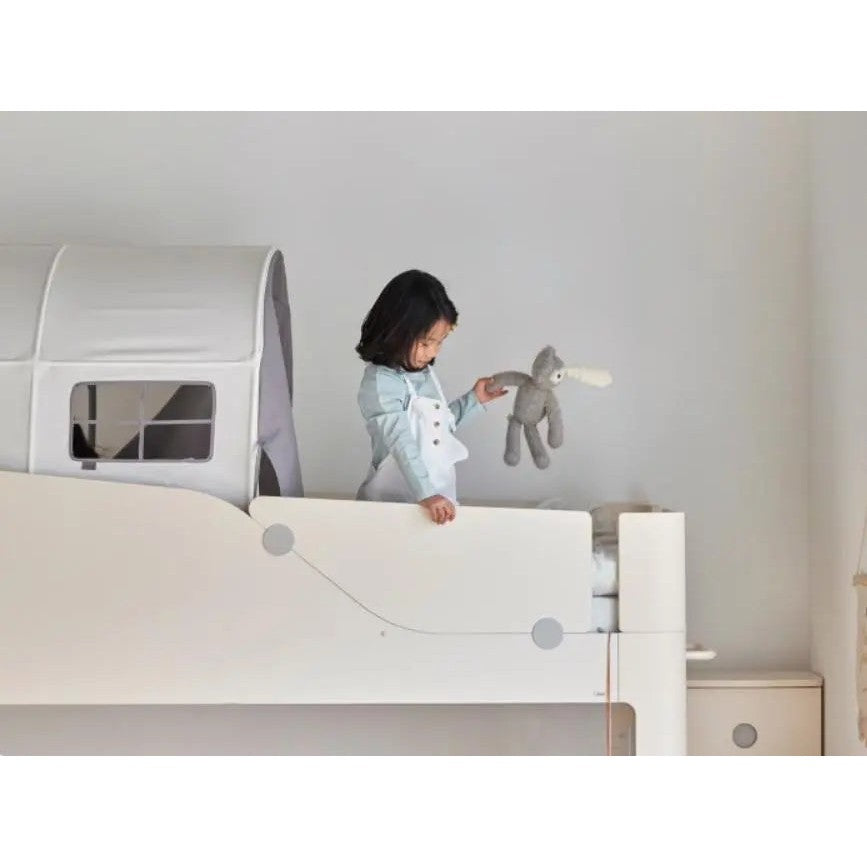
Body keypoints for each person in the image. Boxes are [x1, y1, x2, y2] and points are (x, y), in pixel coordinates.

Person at [355, 269, 507, 524]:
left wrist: (474, 400)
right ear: (395, 332)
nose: (432, 352)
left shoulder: (424, 375)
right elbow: (401, 441)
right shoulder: (380, 383)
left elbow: (439, 430)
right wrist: (426, 494)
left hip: (437, 501)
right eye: (426, 343)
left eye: (440, 342)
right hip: (391, 504)